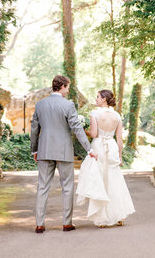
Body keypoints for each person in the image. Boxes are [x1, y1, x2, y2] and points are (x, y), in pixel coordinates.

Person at [31, 75, 96, 233]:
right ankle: (67, 223)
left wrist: (34, 149)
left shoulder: (40, 105)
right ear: (63, 86)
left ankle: (40, 224)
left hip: (44, 150)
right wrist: (89, 149)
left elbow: (34, 129)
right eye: (67, 87)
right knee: (67, 187)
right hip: (64, 151)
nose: (68, 90)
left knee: (42, 187)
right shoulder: (68, 105)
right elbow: (77, 128)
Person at [76, 89, 135, 227]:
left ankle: (101, 218)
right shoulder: (117, 116)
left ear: (104, 99)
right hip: (112, 147)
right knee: (114, 179)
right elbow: (119, 138)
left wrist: (83, 130)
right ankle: (119, 215)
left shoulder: (95, 114)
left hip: (99, 147)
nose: (96, 99)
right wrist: (119, 155)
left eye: (97, 97)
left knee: (100, 179)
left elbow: (94, 133)